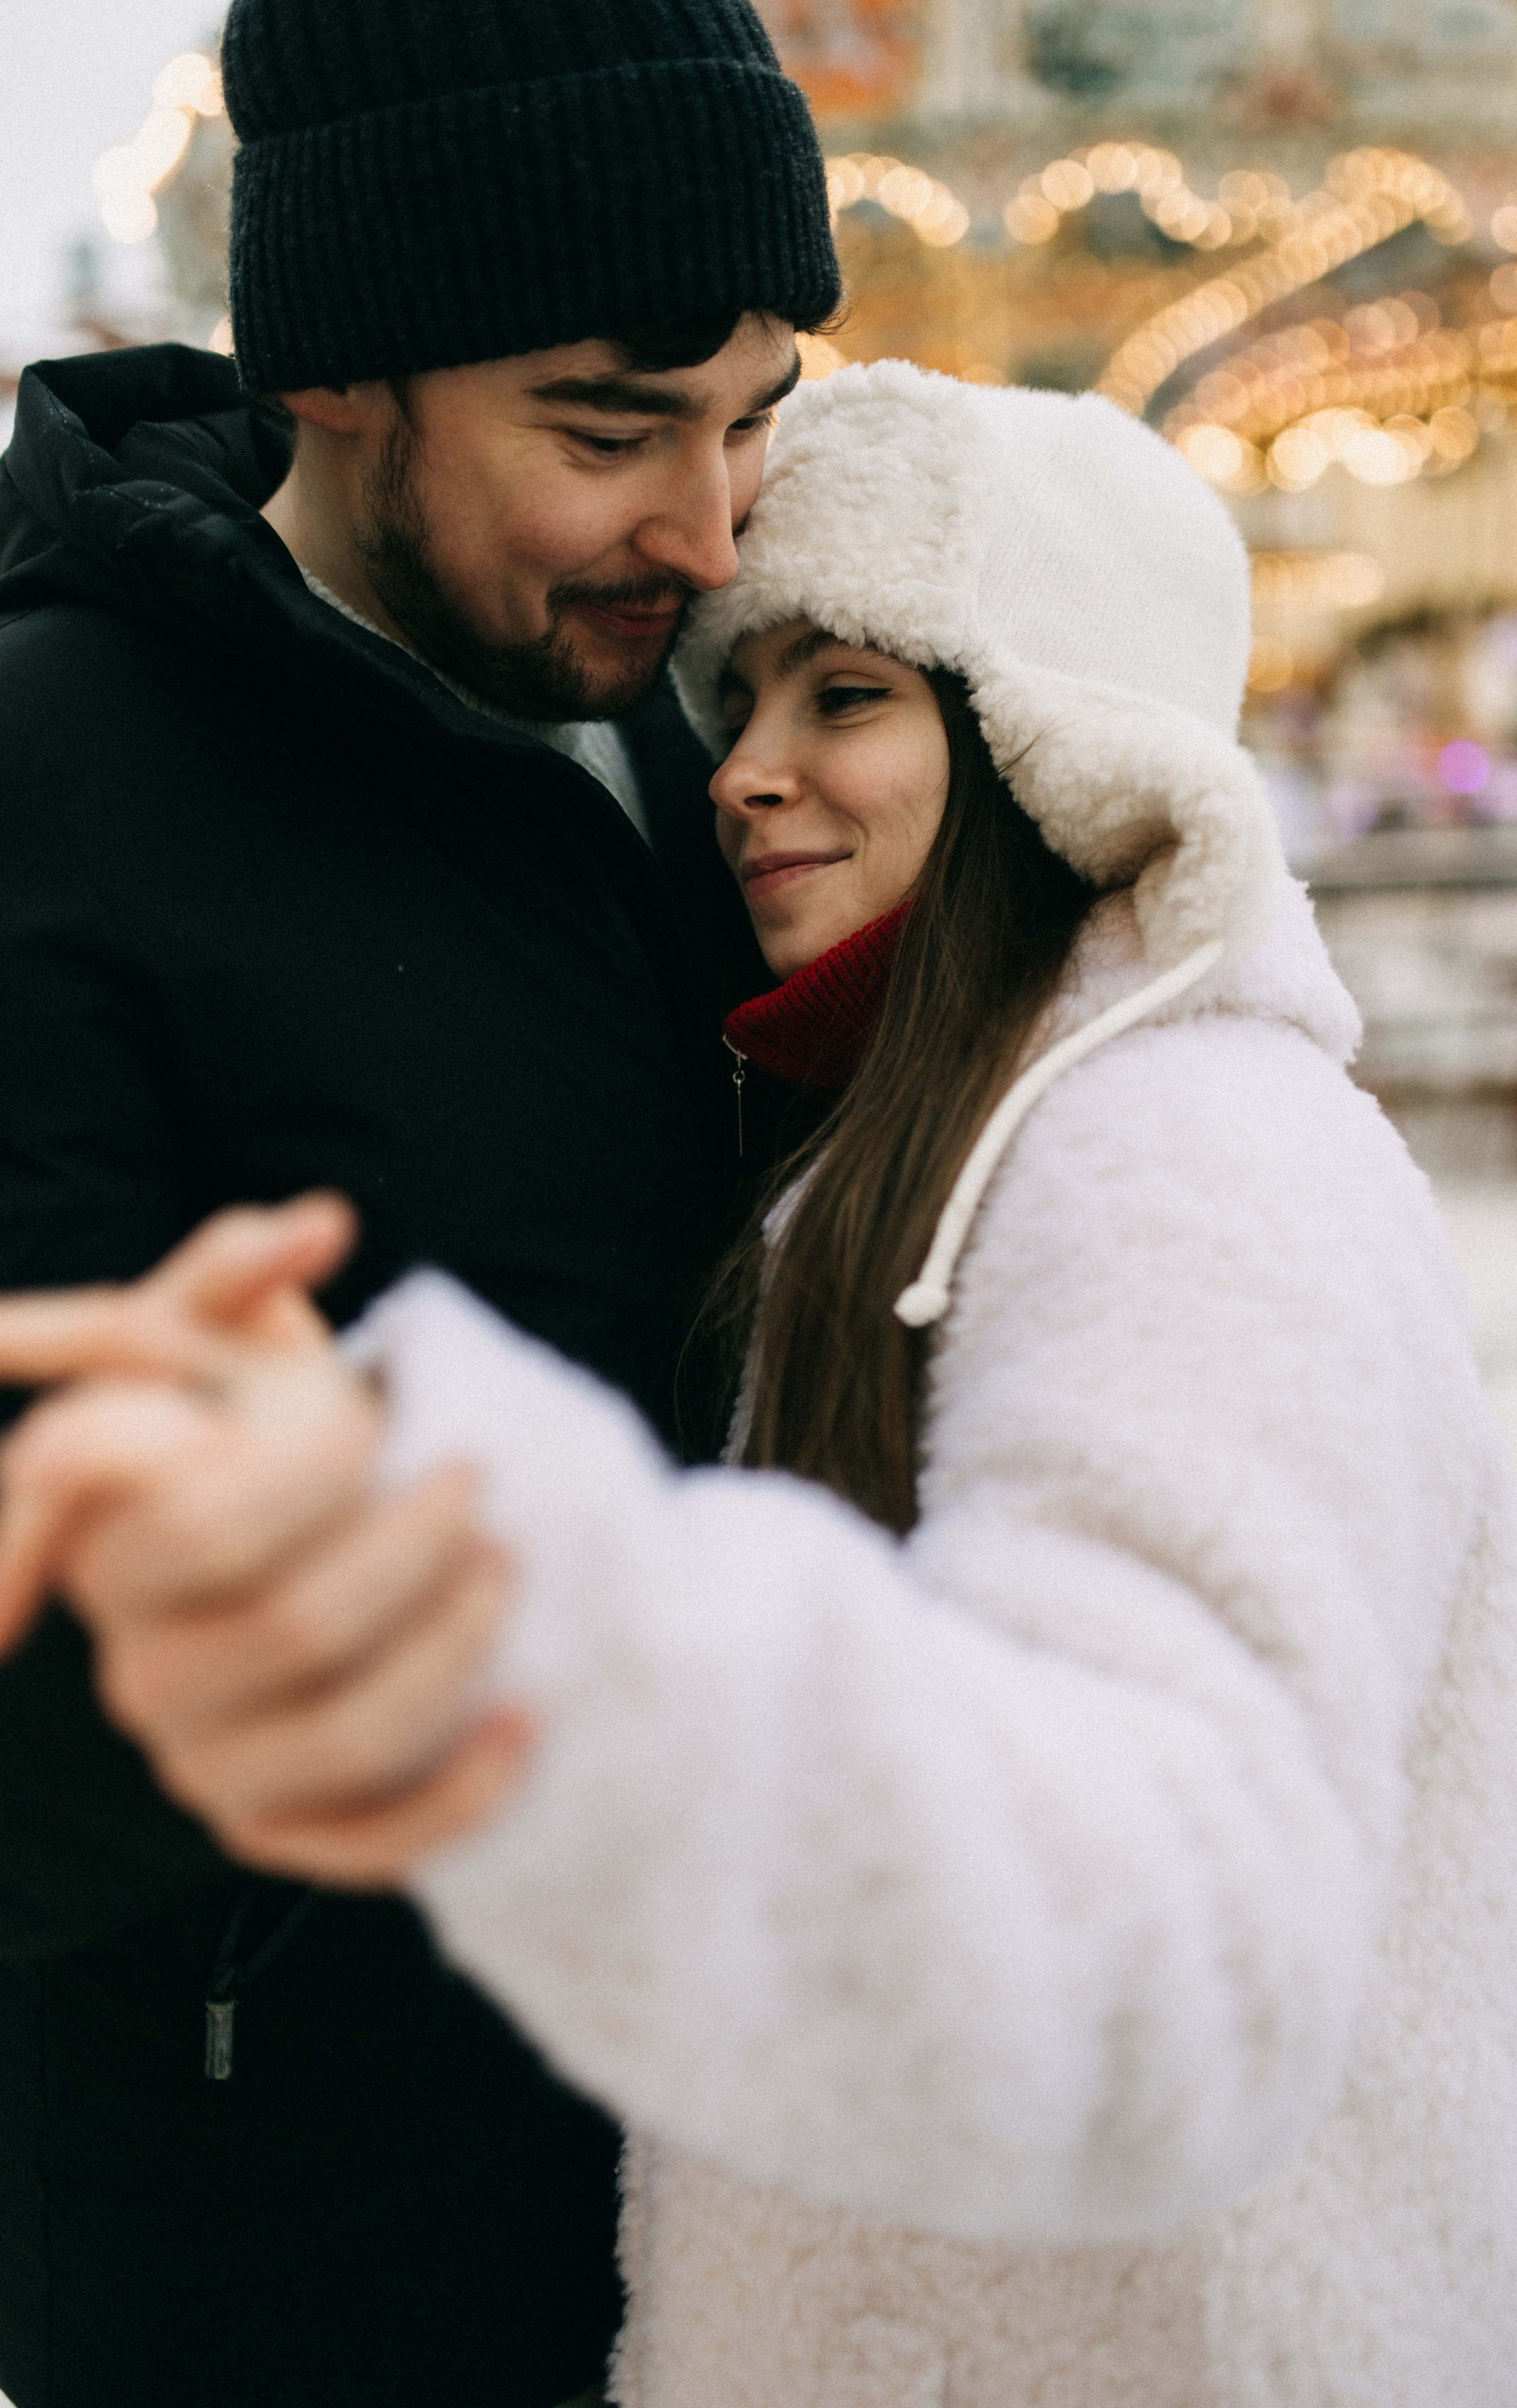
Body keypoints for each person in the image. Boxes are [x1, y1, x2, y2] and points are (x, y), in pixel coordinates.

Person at [0, 366, 1517, 2404]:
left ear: (1047, 742)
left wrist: (502, 1591)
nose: (742, 772)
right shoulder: (893, 1161)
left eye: (848, 697)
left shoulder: (1192, 1158)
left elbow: (1166, 1947)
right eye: (737, 704)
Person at [0, 0, 839, 2397]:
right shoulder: (53, 786)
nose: (704, 520)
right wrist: (201, 1661)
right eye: (607, 427)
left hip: (736, 2169)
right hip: (288, 2221)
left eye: (753, 414)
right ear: (348, 367)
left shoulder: (725, 725)